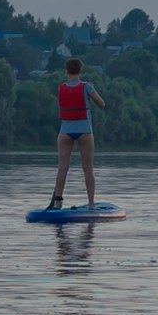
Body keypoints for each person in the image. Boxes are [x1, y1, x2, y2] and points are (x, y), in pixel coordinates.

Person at [47, 57, 110, 208]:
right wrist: (91, 94)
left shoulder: (61, 87)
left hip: (65, 132)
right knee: (88, 168)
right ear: (81, 71)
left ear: (66, 71)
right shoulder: (87, 86)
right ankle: (91, 204)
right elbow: (102, 104)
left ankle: (57, 202)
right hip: (84, 131)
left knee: (62, 167)